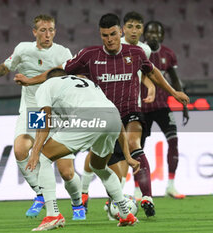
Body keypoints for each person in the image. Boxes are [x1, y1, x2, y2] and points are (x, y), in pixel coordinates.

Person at [14, 13, 190, 218]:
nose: (110, 39)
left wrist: (173, 92)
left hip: (119, 114)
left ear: (120, 32)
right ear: (100, 35)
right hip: (107, 116)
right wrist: (30, 80)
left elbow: (152, 73)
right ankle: (115, 208)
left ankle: (54, 211)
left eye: (113, 34)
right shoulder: (88, 57)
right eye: (105, 35)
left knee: (48, 157)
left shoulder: (137, 52)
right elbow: (58, 73)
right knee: (98, 164)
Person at [0, 15, 85, 220]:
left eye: (51, 29)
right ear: (34, 32)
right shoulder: (23, 49)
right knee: (20, 149)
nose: (47, 34)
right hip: (34, 110)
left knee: (67, 172)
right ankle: (40, 193)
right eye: (43, 30)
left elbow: (60, 75)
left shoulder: (63, 53)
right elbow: (6, 66)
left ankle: (77, 203)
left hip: (58, 113)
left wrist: (30, 81)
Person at [26, 68, 140, 231]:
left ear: (48, 79)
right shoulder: (88, 84)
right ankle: (125, 214)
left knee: (43, 158)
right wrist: (127, 156)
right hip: (113, 117)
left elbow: (44, 116)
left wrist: (36, 151)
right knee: (99, 167)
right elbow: (117, 120)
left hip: (88, 117)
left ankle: (53, 215)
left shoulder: (46, 85)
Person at [80, 12, 155, 214]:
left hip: (131, 108)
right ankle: (85, 192)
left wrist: (151, 86)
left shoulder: (142, 50)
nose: (133, 31)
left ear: (141, 29)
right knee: (100, 157)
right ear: (124, 29)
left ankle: (137, 198)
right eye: (130, 26)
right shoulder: (109, 47)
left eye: (137, 27)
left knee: (132, 148)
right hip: (105, 112)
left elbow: (144, 72)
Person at [140, 20, 190, 199]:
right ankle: (138, 189)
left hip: (162, 105)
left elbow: (175, 80)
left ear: (162, 35)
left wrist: (183, 105)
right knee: (138, 148)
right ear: (145, 35)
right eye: (150, 32)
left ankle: (170, 185)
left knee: (174, 141)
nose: (154, 35)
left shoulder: (168, 54)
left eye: (157, 33)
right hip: (142, 106)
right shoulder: (139, 51)